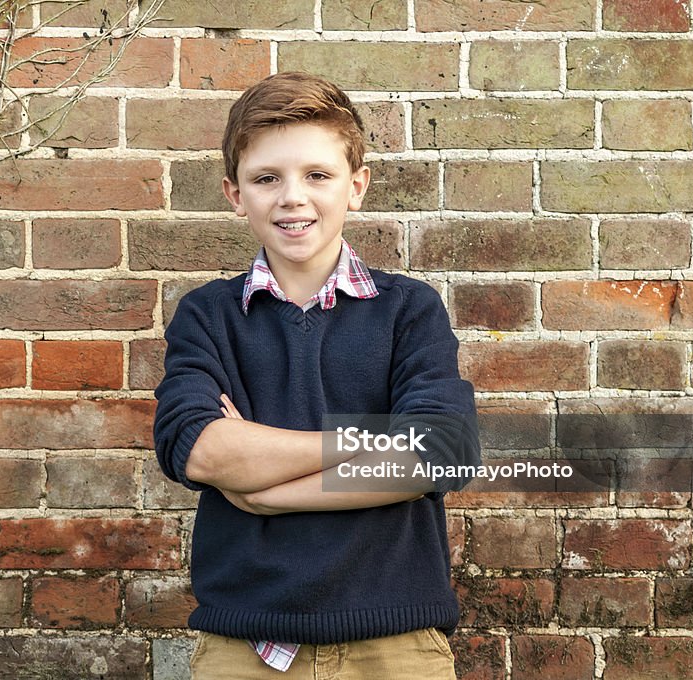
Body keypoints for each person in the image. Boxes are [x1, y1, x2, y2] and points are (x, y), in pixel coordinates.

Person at [153, 71, 480, 679]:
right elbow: (198, 450)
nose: (292, 197)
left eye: (317, 176)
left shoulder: (408, 310)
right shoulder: (207, 315)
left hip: (397, 643)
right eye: (267, 178)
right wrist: (374, 442)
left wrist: (264, 492)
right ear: (234, 193)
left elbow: (441, 453)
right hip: (245, 647)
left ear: (355, 188)